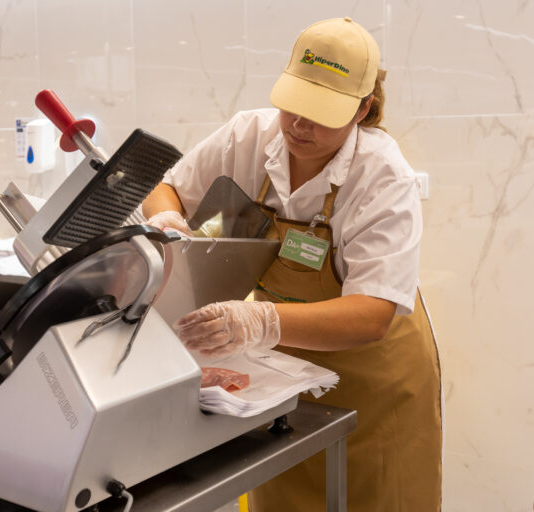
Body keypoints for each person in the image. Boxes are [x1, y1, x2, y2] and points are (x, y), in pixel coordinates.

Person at [142, 17, 442, 512]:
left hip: (375, 384)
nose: (300, 125)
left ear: (363, 108)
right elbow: (165, 186)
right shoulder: (249, 136)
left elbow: (372, 314)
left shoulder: (383, 176)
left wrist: (258, 320)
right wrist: (171, 222)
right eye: (294, 105)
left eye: (322, 113)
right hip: (283, 374)